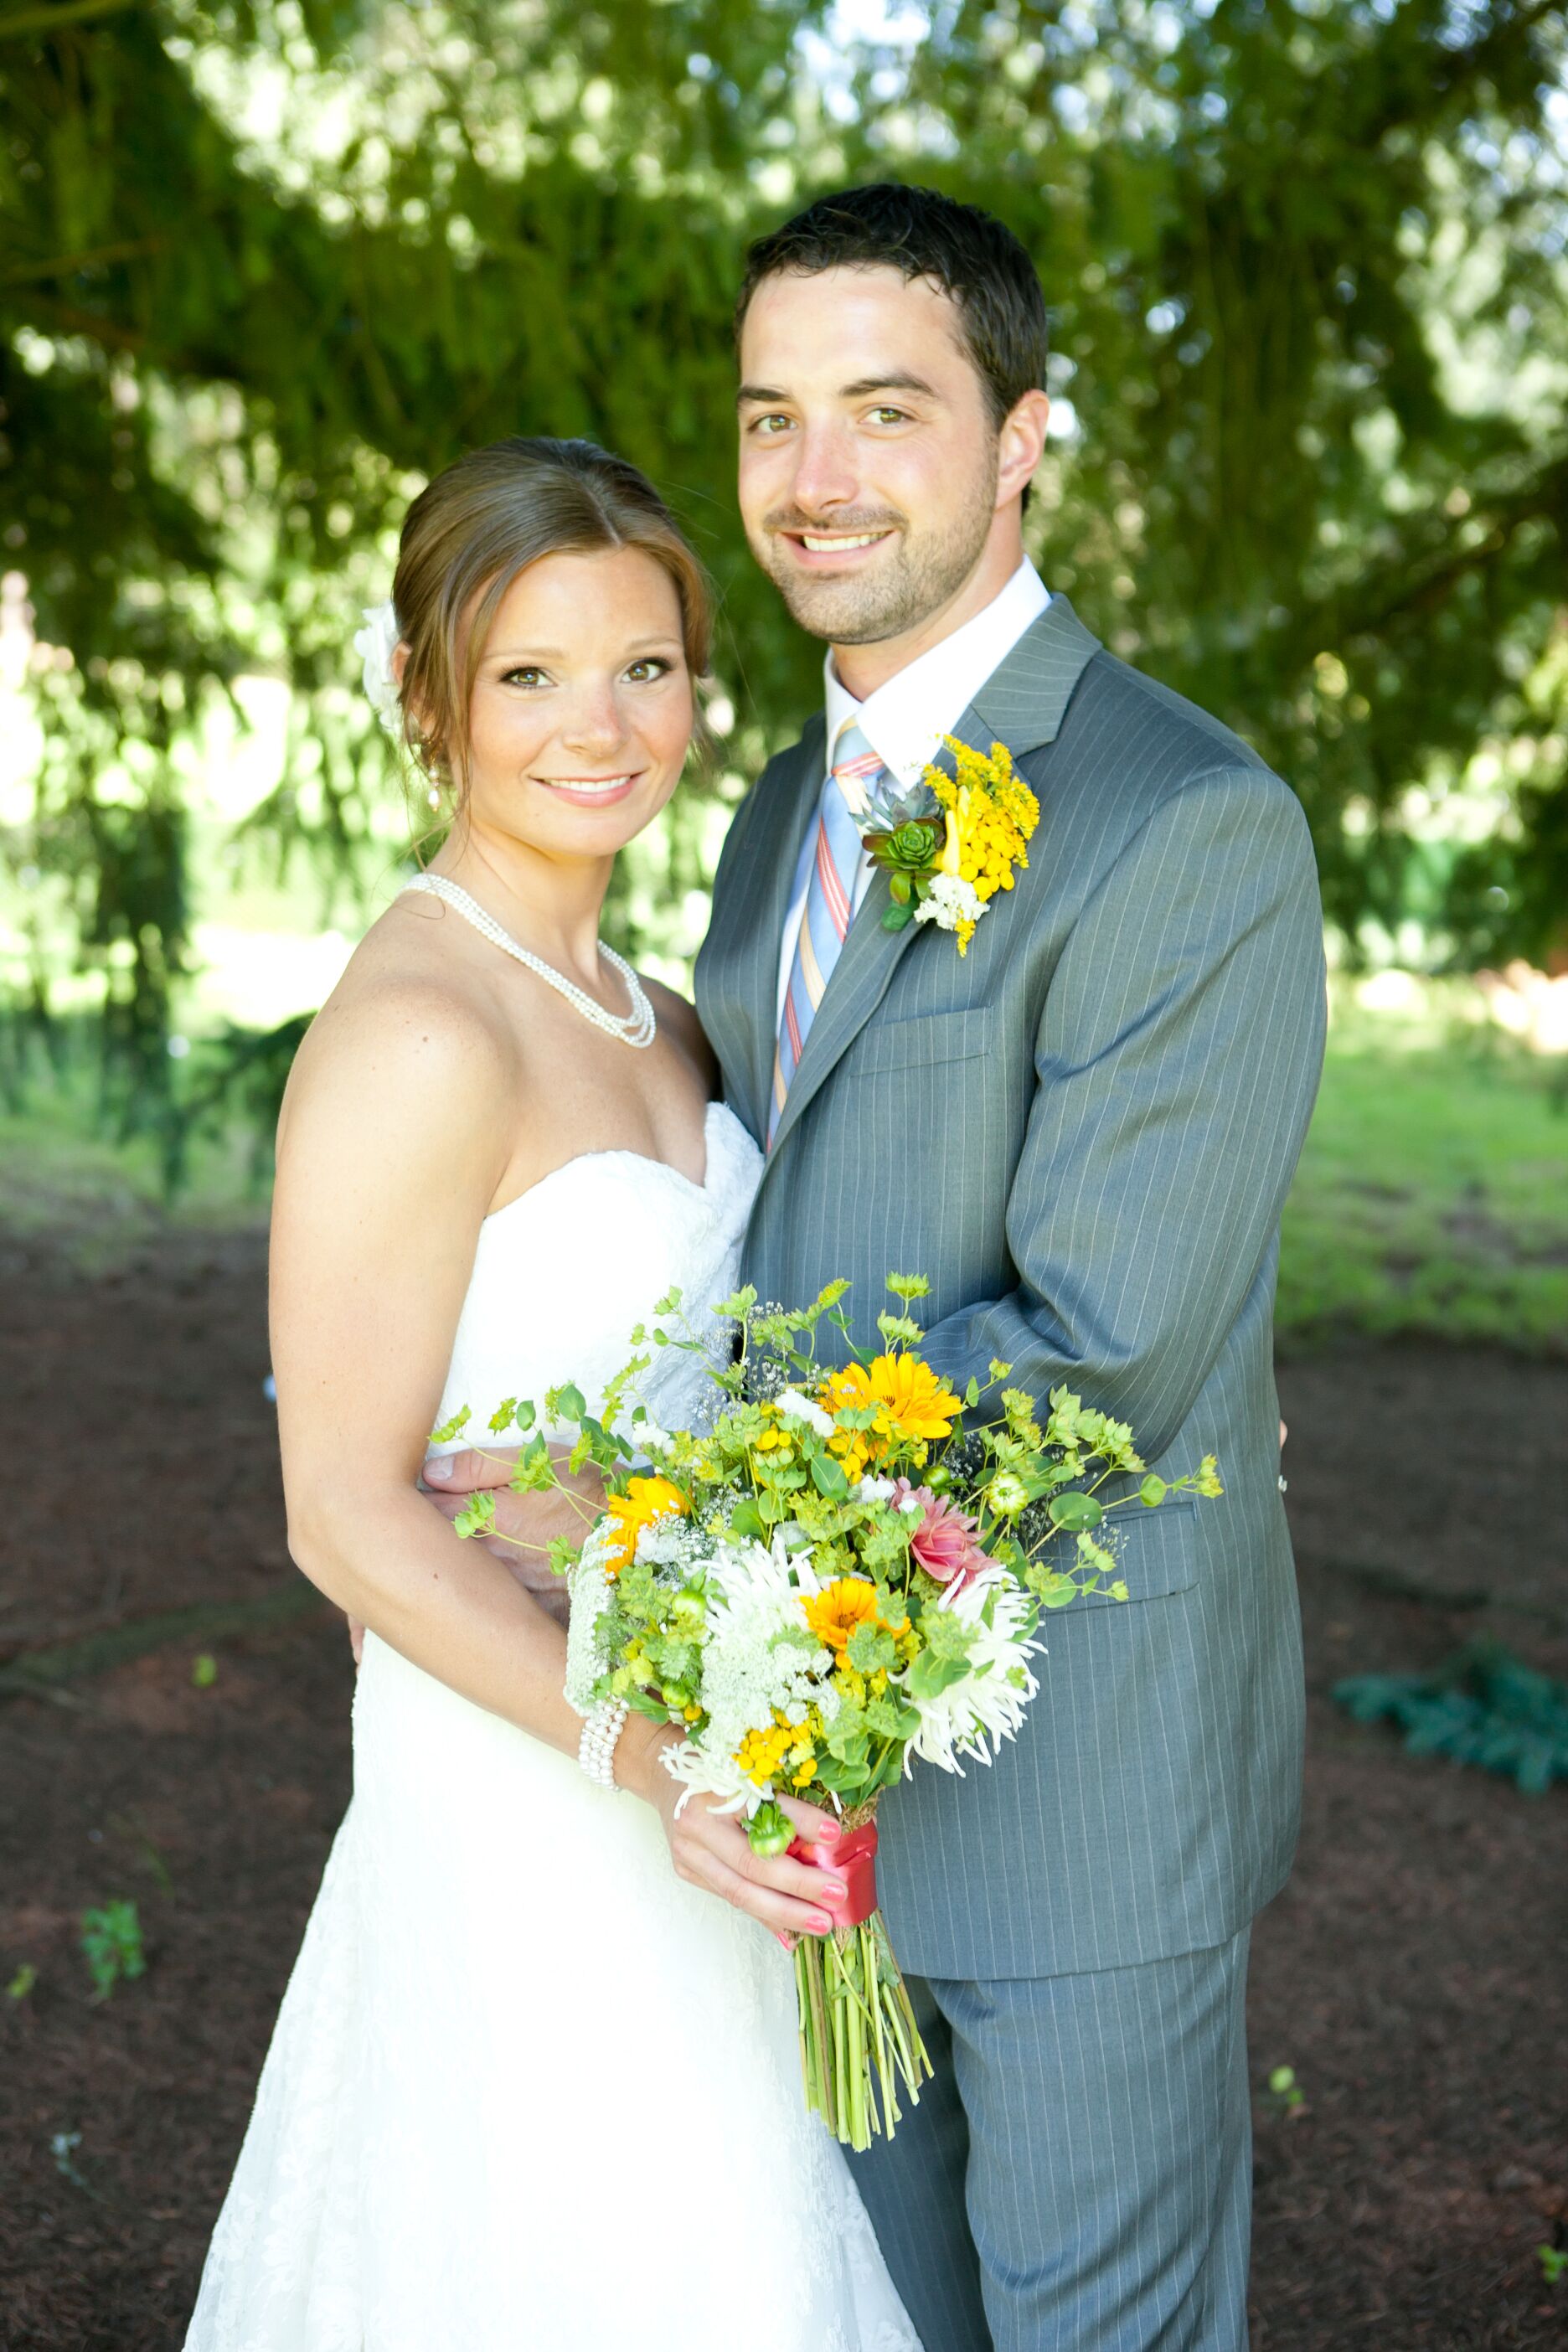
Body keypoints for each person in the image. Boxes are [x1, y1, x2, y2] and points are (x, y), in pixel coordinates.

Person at [434, 183, 1327, 2349]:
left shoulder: (1180, 820)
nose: (815, 481)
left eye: (885, 411)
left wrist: (665, 1531)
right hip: (800, 1783)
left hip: (1075, 1787)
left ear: (1025, 436)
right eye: (769, 419)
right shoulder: (758, 817)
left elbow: (1106, 1348)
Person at [183, 435, 921, 2352]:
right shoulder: (421, 1030)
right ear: (431, 699)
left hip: (704, 1767)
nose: (602, 726)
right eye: (530, 674)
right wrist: (653, 1761)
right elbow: (340, 1508)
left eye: (646, 666)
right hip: (531, 1798)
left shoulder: (664, 1013)